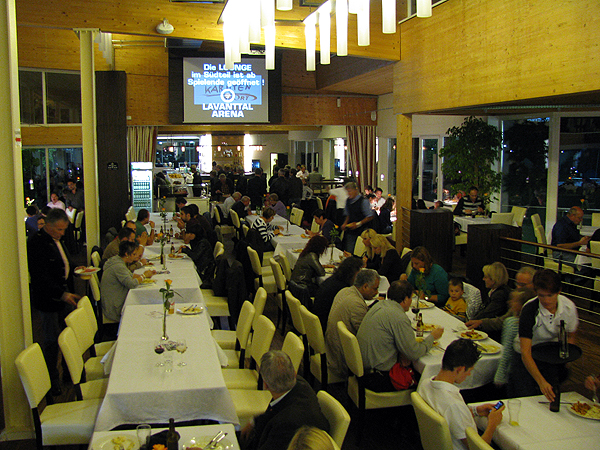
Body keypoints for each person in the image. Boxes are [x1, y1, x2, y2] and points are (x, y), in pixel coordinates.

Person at [27, 208, 83, 395]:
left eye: (63, 229)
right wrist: (62, 294)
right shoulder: (37, 243)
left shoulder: (58, 240)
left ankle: (70, 373)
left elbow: (63, 262)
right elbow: (41, 276)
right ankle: (52, 381)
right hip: (49, 298)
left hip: (64, 293)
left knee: (68, 334)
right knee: (51, 340)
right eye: (59, 229)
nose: (62, 233)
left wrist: (77, 268)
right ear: (48, 225)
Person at [357, 280, 444, 392]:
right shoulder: (398, 316)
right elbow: (413, 352)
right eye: (411, 298)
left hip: (364, 369)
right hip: (377, 378)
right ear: (405, 299)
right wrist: (432, 337)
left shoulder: (379, 305)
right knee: (425, 382)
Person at [417, 339, 504, 450]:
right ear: (460, 369)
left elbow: (450, 416)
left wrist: (475, 411)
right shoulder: (454, 405)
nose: (469, 374)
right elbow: (477, 448)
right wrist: (492, 424)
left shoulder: (425, 384)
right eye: (469, 370)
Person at [509, 269, 579, 400]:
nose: (546, 300)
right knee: (526, 397)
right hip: (525, 356)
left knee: (550, 397)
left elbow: (570, 335)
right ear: (536, 292)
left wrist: (565, 361)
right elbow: (525, 352)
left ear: (559, 291)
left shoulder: (569, 308)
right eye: (541, 296)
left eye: (550, 295)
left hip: (549, 354)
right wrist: (541, 381)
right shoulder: (529, 310)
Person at [241, 351, 329, 450]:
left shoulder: (285, 425)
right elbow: (274, 409)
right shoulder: (301, 383)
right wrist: (254, 422)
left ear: (265, 384)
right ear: (294, 373)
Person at [325, 269, 380, 379]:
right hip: (341, 359)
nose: (377, 292)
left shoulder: (345, 291)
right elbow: (368, 336)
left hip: (331, 348)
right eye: (375, 289)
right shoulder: (356, 304)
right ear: (364, 286)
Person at [466, 267, 537, 332]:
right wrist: (481, 322)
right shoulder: (517, 298)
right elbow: (503, 320)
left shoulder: (501, 294)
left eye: (522, 285)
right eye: (517, 283)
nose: (518, 287)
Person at [492, 287, 536, 389]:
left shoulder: (511, 323)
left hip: (513, 371)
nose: (509, 302)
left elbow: (507, 351)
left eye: (513, 300)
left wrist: (499, 376)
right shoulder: (534, 323)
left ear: (522, 305)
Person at [101, 240, 155, 323]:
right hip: (114, 307)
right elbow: (131, 284)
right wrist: (143, 276)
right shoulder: (118, 266)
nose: (135, 257)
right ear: (126, 254)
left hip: (113, 299)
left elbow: (129, 275)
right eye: (133, 254)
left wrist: (147, 276)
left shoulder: (117, 260)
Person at [312, 256, 363, 333]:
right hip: (326, 328)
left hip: (318, 323)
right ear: (352, 273)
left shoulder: (334, 279)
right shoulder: (343, 289)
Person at [341, 182, 375, 253]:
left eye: (349, 191)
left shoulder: (363, 201)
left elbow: (370, 216)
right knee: (348, 251)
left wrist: (358, 224)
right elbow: (348, 214)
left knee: (359, 251)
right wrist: (345, 223)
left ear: (355, 190)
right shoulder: (348, 201)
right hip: (350, 231)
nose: (348, 193)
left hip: (361, 231)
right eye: (347, 191)